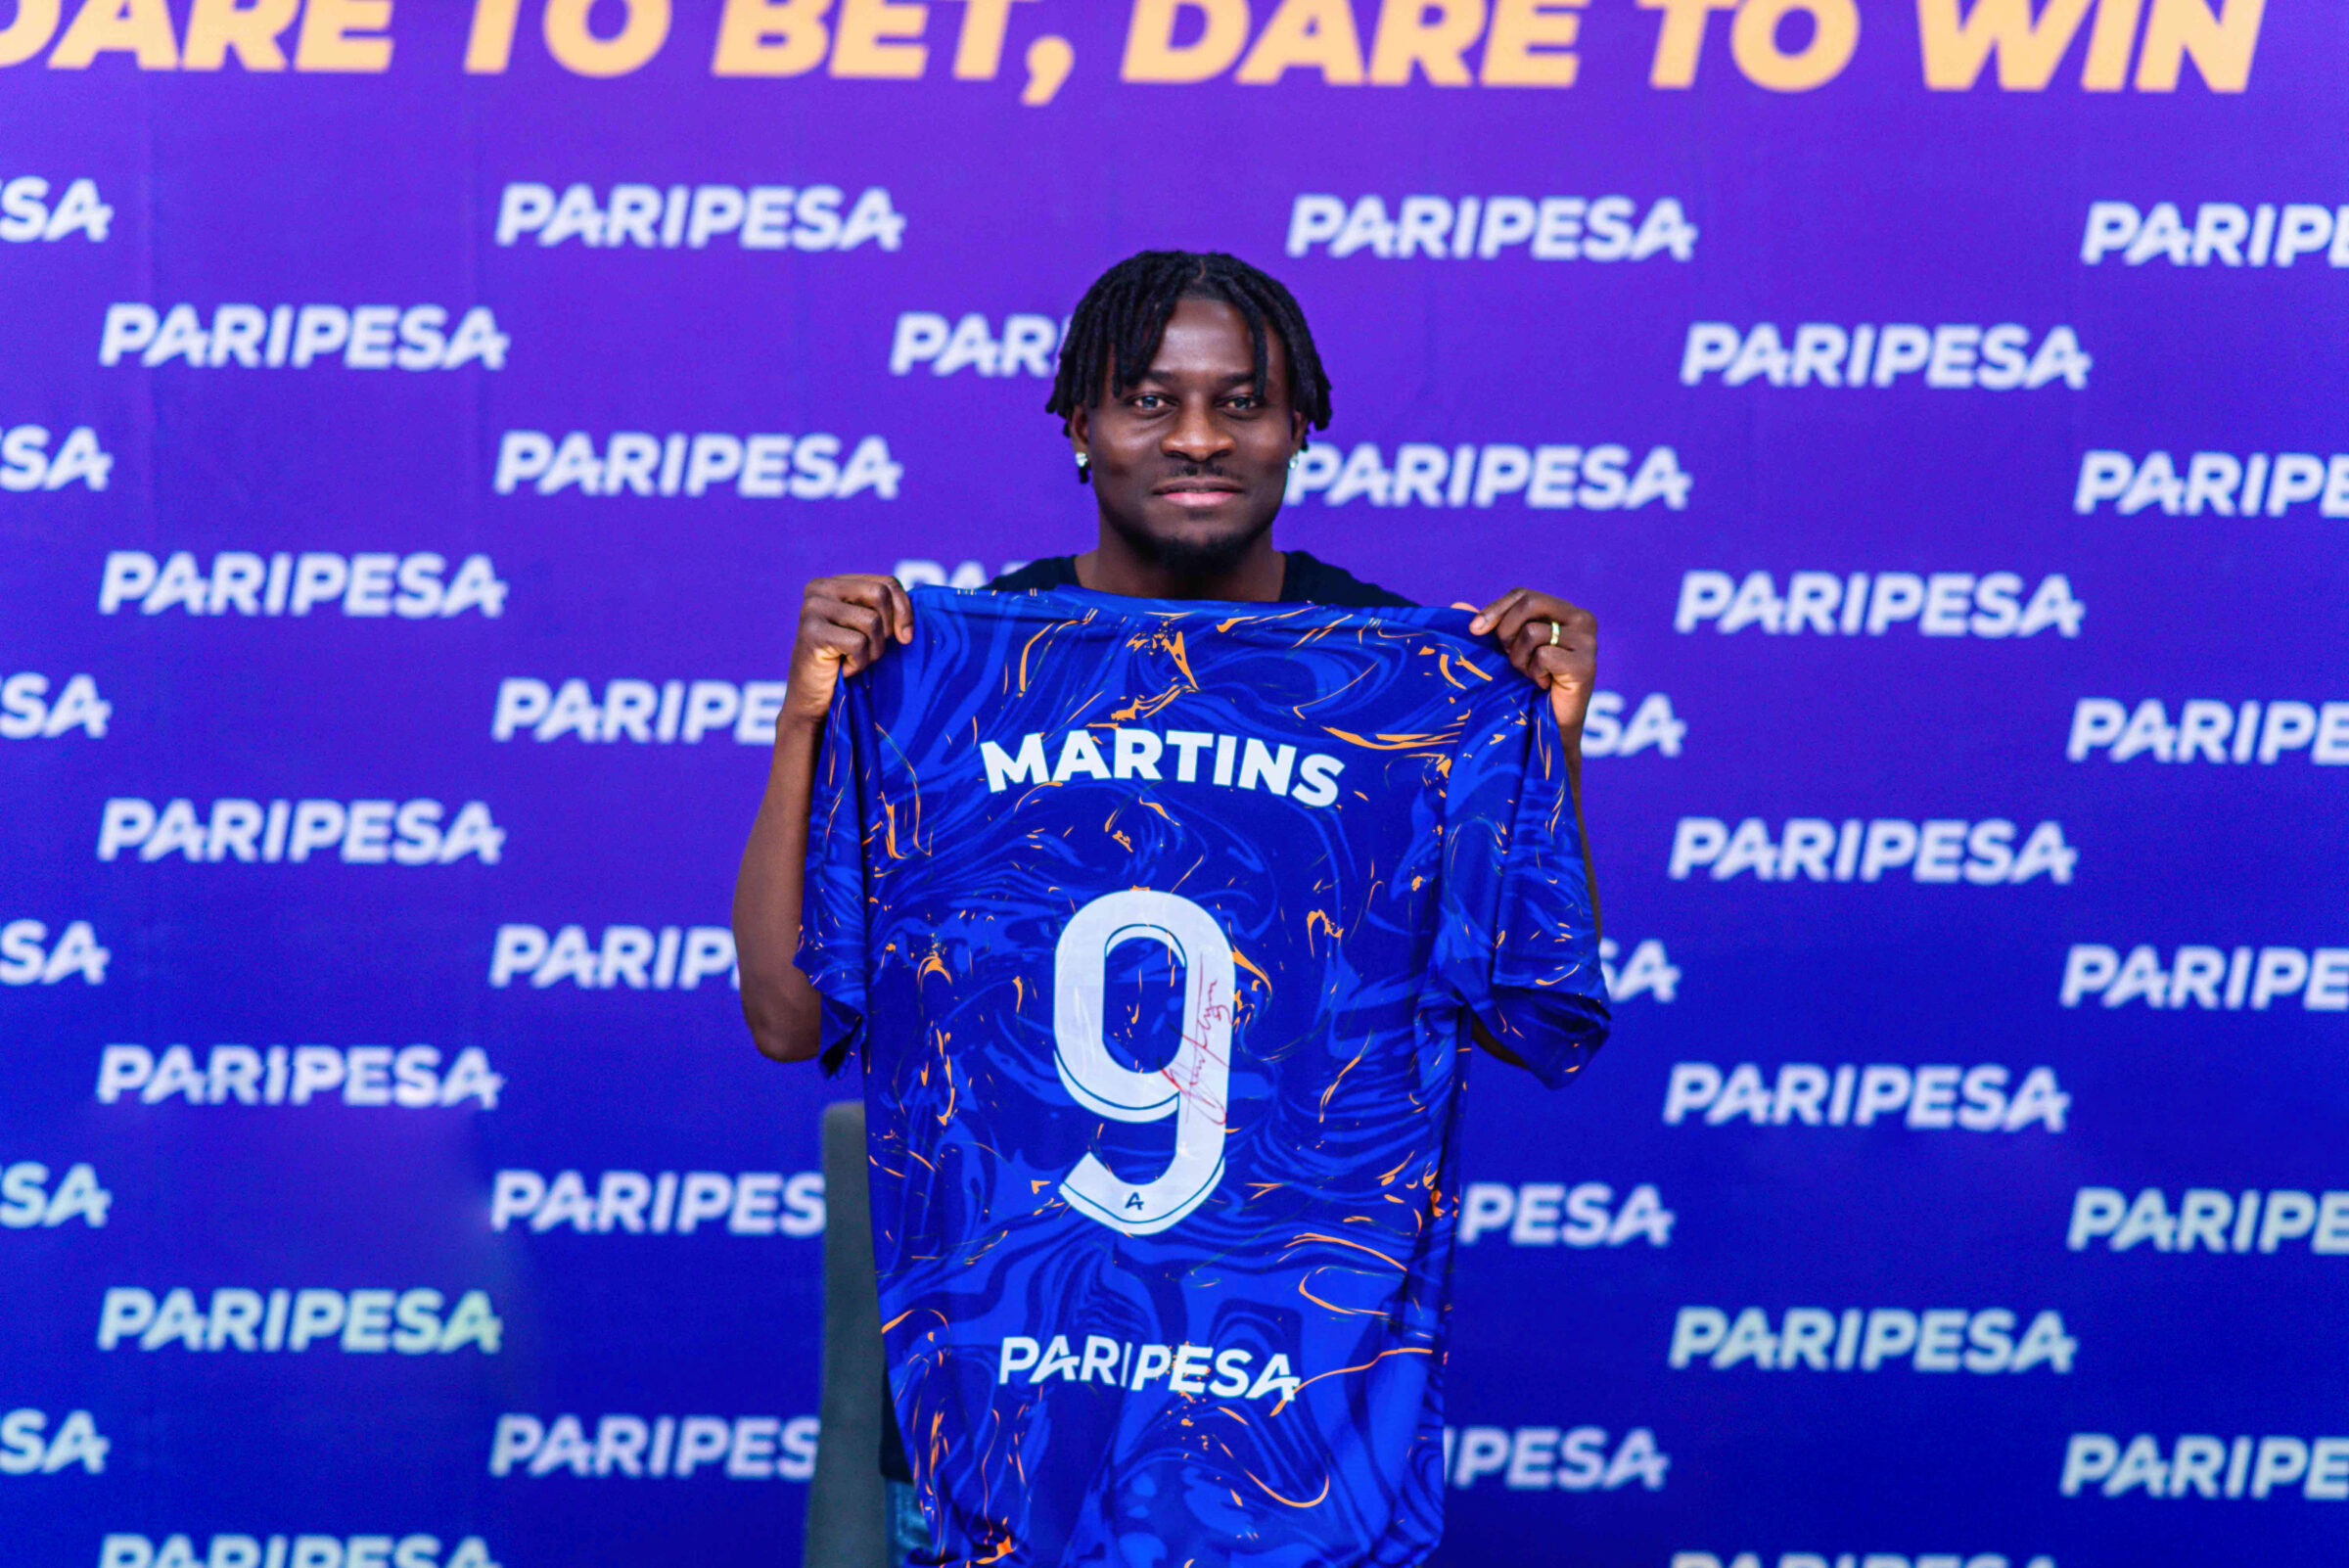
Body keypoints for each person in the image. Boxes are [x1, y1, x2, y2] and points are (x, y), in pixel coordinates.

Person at [732, 250, 1605, 1565]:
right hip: (999, 1433)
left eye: (1242, 401)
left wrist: (1542, 744)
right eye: (1150, 400)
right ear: (1077, 424)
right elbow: (788, 1017)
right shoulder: (941, 672)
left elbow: (1525, 1005)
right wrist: (806, 722)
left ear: (1300, 424)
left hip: (1289, 1450)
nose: (1198, 437)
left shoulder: (1412, 683)